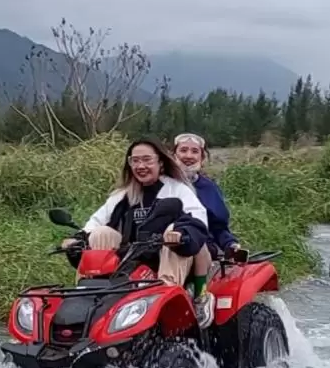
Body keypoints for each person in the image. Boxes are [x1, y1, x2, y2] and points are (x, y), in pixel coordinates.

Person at [62, 137, 213, 321]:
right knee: (101, 233)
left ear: (160, 162)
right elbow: (96, 221)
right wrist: (77, 240)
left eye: (147, 160)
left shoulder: (178, 190)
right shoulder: (123, 195)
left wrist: (181, 234)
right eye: (135, 161)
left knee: (172, 233)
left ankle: (166, 297)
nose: (141, 166)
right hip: (130, 260)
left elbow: (197, 218)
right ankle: (88, 293)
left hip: (168, 258)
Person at [171, 133, 243, 323]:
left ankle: (200, 297)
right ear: (173, 156)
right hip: (160, 243)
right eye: (183, 150)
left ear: (202, 159)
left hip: (200, 246)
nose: (189, 156)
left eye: (195, 152)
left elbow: (219, 227)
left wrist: (230, 244)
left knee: (193, 241)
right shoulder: (161, 184)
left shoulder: (209, 189)